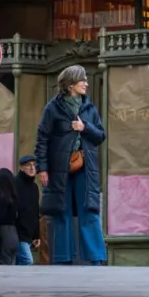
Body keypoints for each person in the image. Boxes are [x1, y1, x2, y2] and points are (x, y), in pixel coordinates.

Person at [36, 65, 107, 266]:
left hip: (85, 167)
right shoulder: (53, 108)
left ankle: (96, 258)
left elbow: (100, 136)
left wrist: (85, 127)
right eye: (82, 80)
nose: (86, 83)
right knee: (61, 211)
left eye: (85, 79)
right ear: (70, 84)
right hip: (59, 169)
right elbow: (42, 138)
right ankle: (62, 258)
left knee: (90, 211)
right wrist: (42, 167)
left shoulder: (89, 108)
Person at [15, 154, 41, 266]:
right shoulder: (15, 184)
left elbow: (35, 212)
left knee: (20, 264)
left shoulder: (34, 187)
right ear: (21, 167)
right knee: (27, 261)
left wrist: (36, 235)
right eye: (28, 165)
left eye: (34, 165)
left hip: (28, 235)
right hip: (18, 233)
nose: (32, 168)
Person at [0, 168, 20, 266]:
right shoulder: (14, 198)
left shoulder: (2, 199)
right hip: (13, 233)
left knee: (3, 265)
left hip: (4, 235)